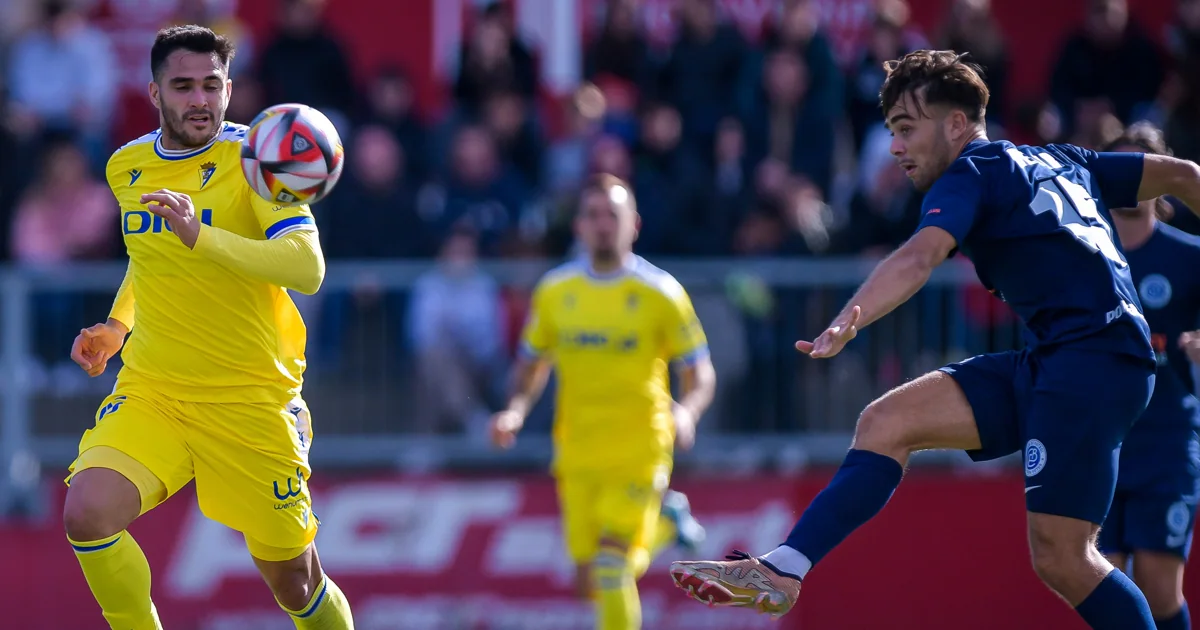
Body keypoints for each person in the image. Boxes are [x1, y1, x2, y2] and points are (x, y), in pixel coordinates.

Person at [669, 49, 1200, 630]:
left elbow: (922, 255)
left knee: (1065, 559)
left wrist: (853, 313)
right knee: (885, 422)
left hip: (1092, 364)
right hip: (1066, 360)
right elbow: (1185, 176)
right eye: (891, 131)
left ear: (955, 124)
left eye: (905, 128)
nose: (896, 147)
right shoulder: (1061, 158)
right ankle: (784, 568)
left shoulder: (970, 171)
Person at [63, 25, 353, 630]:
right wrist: (119, 325)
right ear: (154, 92)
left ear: (230, 89)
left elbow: (307, 267)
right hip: (156, 392)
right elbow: (150, 258)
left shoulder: (257, 162)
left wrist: (204, 236)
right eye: (184, 85)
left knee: (295, 584)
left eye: (212, 86)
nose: (200, 99)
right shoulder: (128, 167)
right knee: (86, 513)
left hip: (250, 399)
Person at [490, 173, 717, 630]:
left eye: (612, 214)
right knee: (589, 581)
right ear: (578, 226)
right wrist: (514, 411)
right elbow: (534, 364)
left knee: (612, 570)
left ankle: (661, 519)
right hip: (577, 452)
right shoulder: (556, 293)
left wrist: (687, 412)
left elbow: (700, 372)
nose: (602, 224)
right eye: (592, 215)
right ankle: (667, 525)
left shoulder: (661, 294)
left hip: (640, 449)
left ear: (633, 223)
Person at [1100, 122, 1200, 630]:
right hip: (1100, 442)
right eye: (1120, 170)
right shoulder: (1086, 257)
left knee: (1160, 589)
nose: (1130, 181)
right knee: (1107, 587)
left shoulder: (1189, 256)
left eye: (1141, 169)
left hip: (1167, 439)